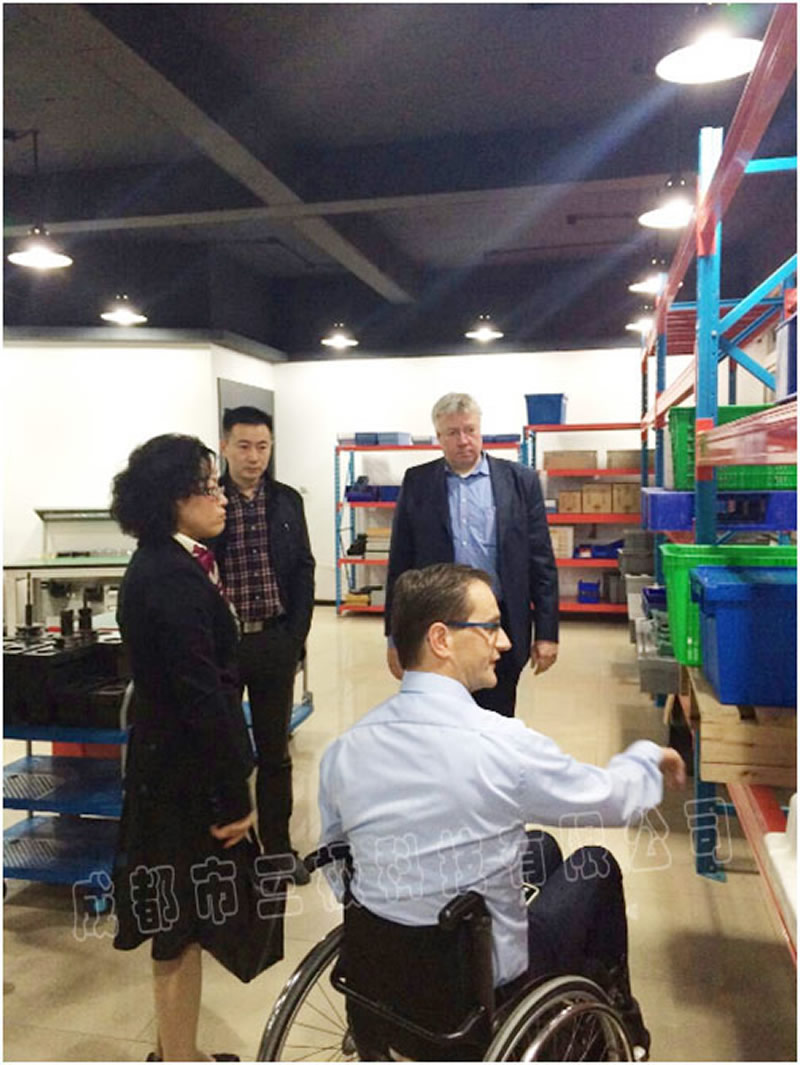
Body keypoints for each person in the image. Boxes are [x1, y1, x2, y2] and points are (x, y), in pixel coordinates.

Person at [319, 563, 686, 1058]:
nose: (507, 642)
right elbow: (613, 800)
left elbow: (337, 863)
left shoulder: (345, 750)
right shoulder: (500, 745)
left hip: (382, 978)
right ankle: (618, 1023)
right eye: (491, 627)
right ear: (441, 639)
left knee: (541, 846)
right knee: (595, 865)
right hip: (477, 990)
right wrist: (644, 758)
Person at [110, 434, 255, 1062]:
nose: (221, 498)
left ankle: (179, 1050)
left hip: (170, 767)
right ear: (173, 498)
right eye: (208, 487)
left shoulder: (170, 563)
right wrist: (234, 795)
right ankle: (176, 1055)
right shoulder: (168, 577)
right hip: (179, 780)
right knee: (176, 927)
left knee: (182, 920)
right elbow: (201, 699)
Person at [385, 392, 558, 717]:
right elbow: (400, 564)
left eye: (470, 430)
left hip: (499, 621)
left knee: (496, 714)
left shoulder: (520, 481)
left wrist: (547, 633)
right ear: (439, 437)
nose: (463, 440)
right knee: (439, 714)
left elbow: (542, 562)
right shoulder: (418, 482)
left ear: (480, 430)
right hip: (435, 624)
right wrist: (395, 638)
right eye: (453, 432)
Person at [213, 406, 315, 885]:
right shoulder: (208, 501)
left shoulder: (286, 500)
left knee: (274, 751)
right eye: (244, 446)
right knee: (224, 749)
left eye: (263, 447)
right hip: (224, 647)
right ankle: (226, 850)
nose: (254, 457)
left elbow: (304, 568)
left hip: (274, 639)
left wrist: (295, 636)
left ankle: (277, 848)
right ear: (225, 447)